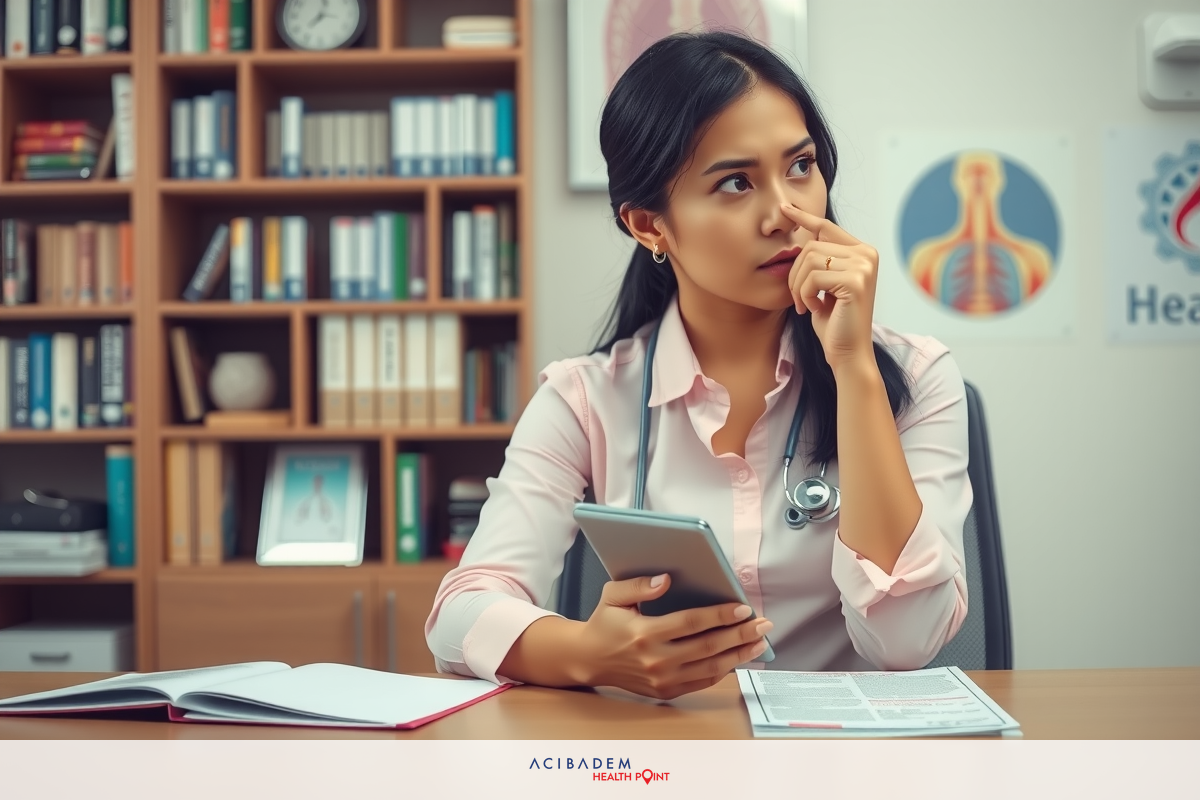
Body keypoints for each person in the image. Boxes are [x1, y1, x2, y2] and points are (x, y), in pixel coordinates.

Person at [425, 30, 971, 700]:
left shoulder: (918, 378)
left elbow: (907, 642)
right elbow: (460, 615)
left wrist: (855, 368)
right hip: (661, 760)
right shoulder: (584, 400)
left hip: (839, 762)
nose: (788, 214)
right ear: (649, 226)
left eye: (801, 167)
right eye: (736, 182)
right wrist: (588, 654)